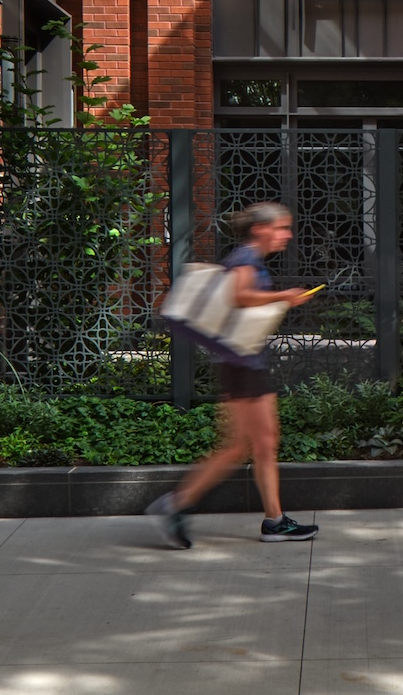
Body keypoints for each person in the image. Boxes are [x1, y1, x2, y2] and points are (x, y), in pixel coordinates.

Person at [149, 200, 320, 547]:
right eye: (281, 228)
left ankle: (274, 520)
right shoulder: (244, 258)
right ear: (260, 230)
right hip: (243, 366)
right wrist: (283, 296)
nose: (287, 235)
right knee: (241, 446)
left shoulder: (248, 258)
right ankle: (176, 505)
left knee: (261, 443)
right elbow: (239, 296)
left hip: (245, 363)